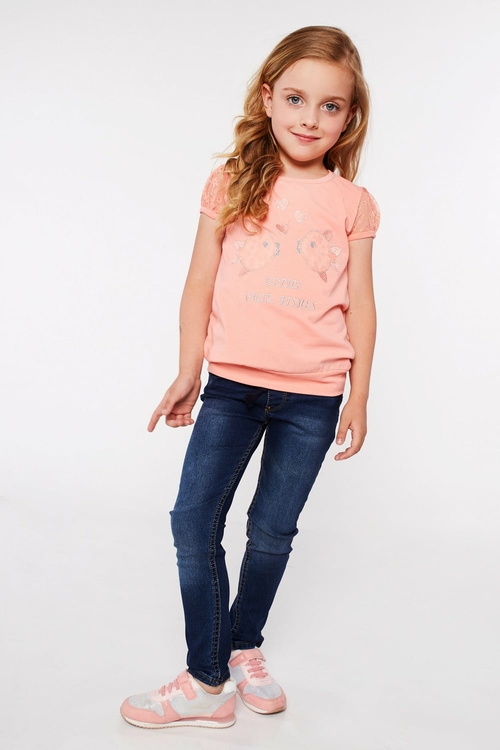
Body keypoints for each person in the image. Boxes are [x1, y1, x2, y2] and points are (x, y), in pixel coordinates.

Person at [120, 25, 380, 730]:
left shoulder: (353, 202)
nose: (310, 117)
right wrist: (188, 369)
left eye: (330, 105)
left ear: (349, 117)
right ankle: (207, 680)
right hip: (232, 388)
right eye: (295, 98)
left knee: (271, 531)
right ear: (267, 98)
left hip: (313, 397)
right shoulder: (231, 182)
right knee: (193, 521)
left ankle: (241, 646)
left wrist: (359, 393)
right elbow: (199, 280)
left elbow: (361, 302)